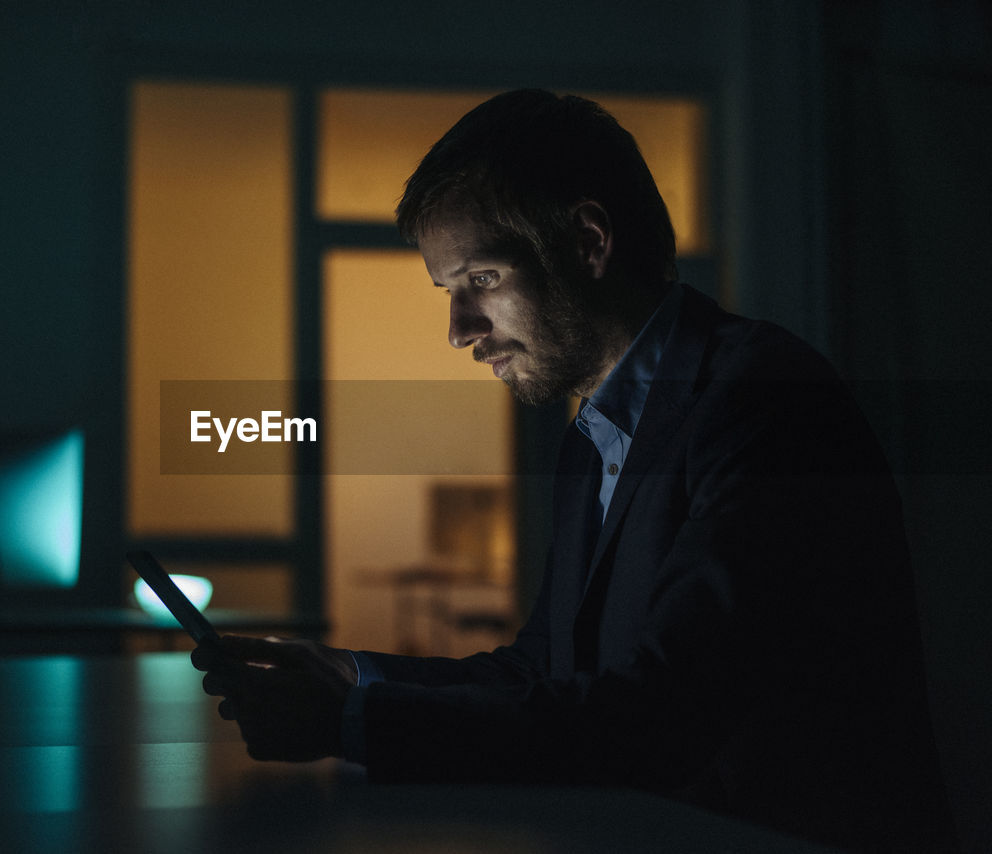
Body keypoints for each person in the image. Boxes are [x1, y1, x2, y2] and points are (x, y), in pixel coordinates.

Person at [194, 89, 952, 852]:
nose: (458, 332)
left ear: (589, 241)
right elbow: (541, 671)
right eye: (449, 293)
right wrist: (353, 679)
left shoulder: (764, 402)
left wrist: (350, 722)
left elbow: (666, 718)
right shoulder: (598, 433)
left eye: (482, 280)